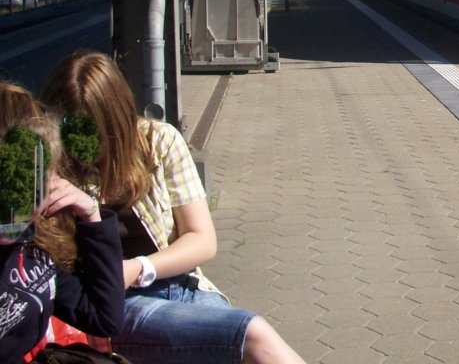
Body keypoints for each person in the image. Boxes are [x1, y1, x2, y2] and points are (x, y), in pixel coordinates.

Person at [41, 51, 308, 364]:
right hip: (122, 306)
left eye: (99, 131)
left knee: (244, 341)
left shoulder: (157, 142)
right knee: (253, 336)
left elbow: (202, 239)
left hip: (184, 288)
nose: (86, 147)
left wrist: (139, 268)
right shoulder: (52, 167)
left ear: (119, 119)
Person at [0, 84, 125, 362]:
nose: (16, 212)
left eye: (32, 187)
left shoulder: (33, 241)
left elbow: (103, 318)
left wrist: (91, 216)